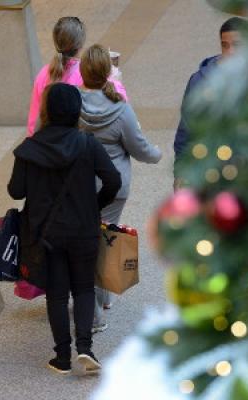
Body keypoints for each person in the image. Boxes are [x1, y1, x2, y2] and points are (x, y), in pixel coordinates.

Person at [9, 83, 121, 375]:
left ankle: (61, 357)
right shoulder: (87, 144)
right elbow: (113, 181)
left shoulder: (30, 148)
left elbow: (15, 190)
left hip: (46, 234)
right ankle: (86, 348)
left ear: (46, 110)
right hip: (83, 228)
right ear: (76, 111)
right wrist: (94, 205)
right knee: (84, 287)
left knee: (57, 294)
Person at [77, 44, 162, 332]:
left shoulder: (71, 103)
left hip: (79, 185)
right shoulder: (120, 108)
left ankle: (96, 302)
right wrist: (158, 154)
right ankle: (99, 303)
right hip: (114, 187)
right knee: (104, 239)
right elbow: (139, 148)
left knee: (86, 241)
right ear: (107, 73)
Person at [173, 17, 245, 187]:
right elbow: (186, 130)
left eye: (238, 45)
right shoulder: (199, 81)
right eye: (225, 45)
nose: (230, 52)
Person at [26, 16, 128, 136]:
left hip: (49, 144)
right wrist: (115, 80)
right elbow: (119, 105)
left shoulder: (43, 74)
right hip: (78, 145)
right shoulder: (86, 72)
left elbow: (33, 125)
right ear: (81, 44)